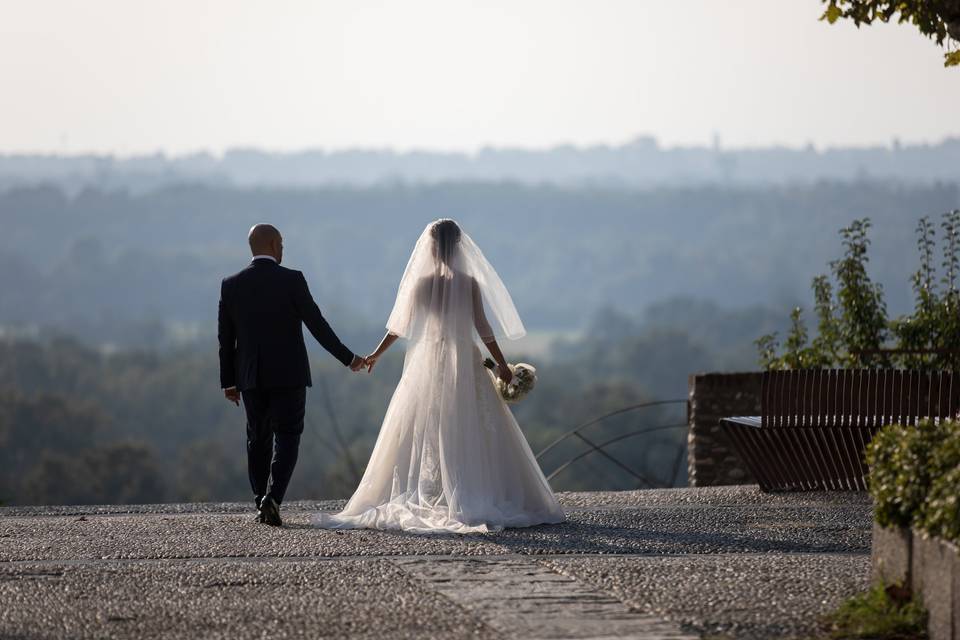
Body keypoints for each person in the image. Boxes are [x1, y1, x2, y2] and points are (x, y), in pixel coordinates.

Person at [314, 219, 565, 533]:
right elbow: (483, 328)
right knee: (474, 426)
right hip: (464, 360)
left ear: (431, 247)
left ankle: (443, 493)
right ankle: (475, 491)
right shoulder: (469, 282)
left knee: (430, 427)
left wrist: (376, 354)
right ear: (459, 246)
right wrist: (501, 364)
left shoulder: (421, 284)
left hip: (428, 362)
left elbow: (400, 327)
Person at [218, 223, 366, 527]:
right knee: (288, 437)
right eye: (282, 243)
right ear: (273, 245)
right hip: (290, 374)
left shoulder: (231, 284)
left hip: (250, 377)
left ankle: (260, 499)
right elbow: (317, 325)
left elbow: (226, 340)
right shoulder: (292, 280)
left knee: (257, 438)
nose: (283, 249)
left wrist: (229, 382)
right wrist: (348, 358)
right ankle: (274, 498)